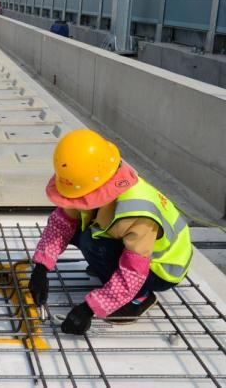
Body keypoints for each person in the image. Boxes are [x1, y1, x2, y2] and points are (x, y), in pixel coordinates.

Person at [28, 129, 192, 334]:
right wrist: (41, 267)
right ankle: (108, 271)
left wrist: (90, 308)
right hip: (133, 248)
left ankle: (140, 297)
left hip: (161, 269)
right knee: (79, 230)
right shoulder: (93, 179)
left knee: (93, 243)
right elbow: (61, 224)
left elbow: (132, 272)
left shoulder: (137, 214)